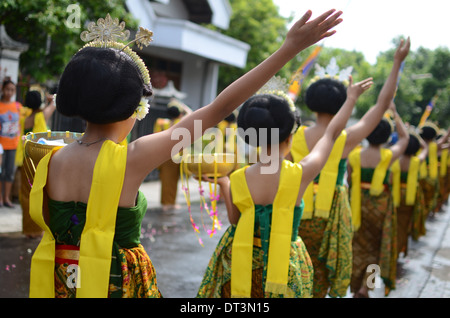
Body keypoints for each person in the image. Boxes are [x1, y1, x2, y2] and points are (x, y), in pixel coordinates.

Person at [28, 9, 344, 298]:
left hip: (56, 280)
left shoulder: (52, 158)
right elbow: (220, 107)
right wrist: (288, 49)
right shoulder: (133, 157)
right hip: (111, 279)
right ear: (132, 107)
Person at [195, 67, 370, 297]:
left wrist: (225, 185)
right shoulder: (300, 173)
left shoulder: (239, 177)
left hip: (242, 264)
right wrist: (351, 99)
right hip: (284, 266)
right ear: (290, 137)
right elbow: (331, 134)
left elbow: (235, 220)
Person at [286, 38, 410, 298]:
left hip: (294, 212)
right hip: (330, 216)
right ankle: (364, 286)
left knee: (294, 270)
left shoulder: (292, 137)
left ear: (311, 101)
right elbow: (380, 106)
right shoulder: (343, 139)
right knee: (320, 274)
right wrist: (396, 63)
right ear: (343, 102)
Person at [348, 102, 409, 298]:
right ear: (386, 136)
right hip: (380, 208)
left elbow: (349, 180)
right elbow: (405, 137)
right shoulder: (387, 155)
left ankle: (356, 287)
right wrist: (394, 112)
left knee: (356, 248)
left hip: (356, 206)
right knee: (376, 250)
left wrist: (374, 111)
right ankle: (367, 287)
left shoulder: (354, 155)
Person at [17, 90, 56, 238]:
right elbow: (53, 105)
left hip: (24, 158)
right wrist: (51, 100)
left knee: (26, 195)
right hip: (37, 160)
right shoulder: (41, 116)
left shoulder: (24, 118)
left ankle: (28, 230)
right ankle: (37, 230)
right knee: (39, 194)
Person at [391, 129, 428, 260]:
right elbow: (425, 148)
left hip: (394, 196)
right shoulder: (416, 161)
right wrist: (417, 137)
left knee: (393, 225)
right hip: (409, 197)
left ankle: (392, 249)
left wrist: (406, 137)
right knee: (404, 225)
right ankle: (398, 249)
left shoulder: (394, 160)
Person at [153, 103, 187, 211]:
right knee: (173, 181)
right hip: (177, 156)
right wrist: (182, 106)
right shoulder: (181, 123)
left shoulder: (161, 123)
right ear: (179, 114)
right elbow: (190, 114)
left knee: (165, 180)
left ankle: (166, 203)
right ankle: (169, 203)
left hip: (164, 155)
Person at [0, 80, 22, 208]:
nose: (9, 92)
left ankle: (6, 198)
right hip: (1, 146)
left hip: (13, 145)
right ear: (3, 89)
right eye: (7, 89)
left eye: (12, 90)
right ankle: (0, 199)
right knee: (1, 172)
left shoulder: (17, 106)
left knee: (9, 173)